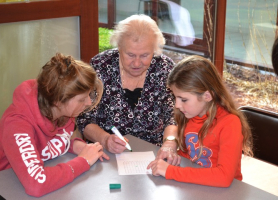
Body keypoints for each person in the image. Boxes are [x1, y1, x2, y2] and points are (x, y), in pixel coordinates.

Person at [0, 53, 109, 198]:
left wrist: (74, 146)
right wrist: (83, 161)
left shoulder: (65, 112)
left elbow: (45, 144)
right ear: (58, 101)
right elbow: (36, 184)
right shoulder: (16, 123)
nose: (88, 103)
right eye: (82, 99)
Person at [76, 14, 180, 165]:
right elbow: (84, 118)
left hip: (153, 156)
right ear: (119, 47)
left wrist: (170, 143)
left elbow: (173, 116)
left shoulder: (164, 68)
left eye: (145, 55)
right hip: (107, 156)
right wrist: (105, 139)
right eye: (130, 55)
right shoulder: (101, 66)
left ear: (155, 50)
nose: (137, 63)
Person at [147, 55, 253, 187]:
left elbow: (224, 177)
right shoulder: (191, 115)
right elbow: (191, 155)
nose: (177, 105)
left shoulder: (230, 123)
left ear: (207, 96)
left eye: (183, 99)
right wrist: (174, 157)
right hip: (196, 187)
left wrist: (171, 171)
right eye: (175, 98)